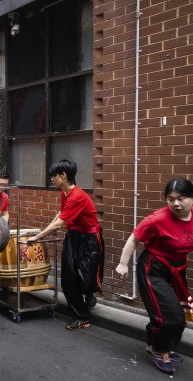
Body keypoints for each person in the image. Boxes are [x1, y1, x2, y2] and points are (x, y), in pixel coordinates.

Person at [115, 179, 193, 375]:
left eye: (181, 198)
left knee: (182, 314)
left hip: (177, 270)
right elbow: (134, 238)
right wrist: (123, 264)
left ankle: (154, 343)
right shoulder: (157, 219)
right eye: (170, 199)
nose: (176, 204)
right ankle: (160, 350)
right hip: (154, 268)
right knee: (170, 315)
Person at [27, 159, 104, 330]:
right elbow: (61, 214)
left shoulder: (77, 196)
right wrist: (48, 227)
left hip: (89, 239)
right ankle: (82, 316)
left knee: (85, 277)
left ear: (63, 175)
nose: (51, 179)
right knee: (69, 278)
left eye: (54, 176)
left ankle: (89, 293)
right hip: (74, 236)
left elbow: (58, 223)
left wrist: (38, 237)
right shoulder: (64, 193)